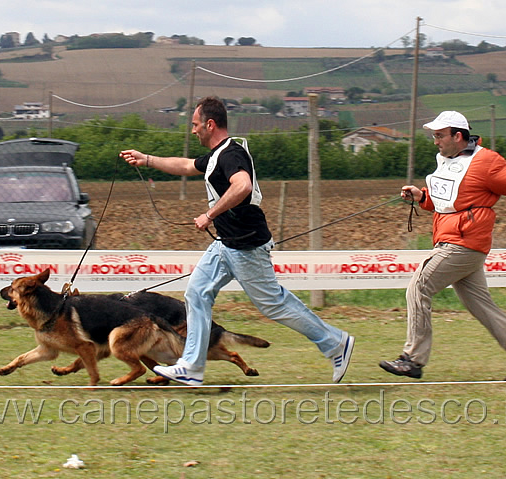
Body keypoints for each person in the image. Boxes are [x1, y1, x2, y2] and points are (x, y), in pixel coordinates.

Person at [120, 96, 354, 385]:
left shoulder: (231, 154)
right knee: (196, 293)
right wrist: (147, 160)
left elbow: (241, 186)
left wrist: (210, 214)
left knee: (274, 305)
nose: (193, 131)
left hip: (246, 245)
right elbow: (185, 165)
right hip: (226, 244)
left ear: (210, 124)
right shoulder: (217, 155)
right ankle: (192, 366)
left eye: (195, 125)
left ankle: (336, 343)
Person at [379, 110, 506, 381]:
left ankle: (413, 359)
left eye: (440, 136)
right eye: (434, 136)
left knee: (419, 287)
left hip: (462, 243)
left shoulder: (486, 162)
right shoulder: (448, 160)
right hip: (458, 241)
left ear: (458, 136)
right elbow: (450, 201)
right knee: (481, 305)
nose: (435, 141)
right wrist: (422, 197)